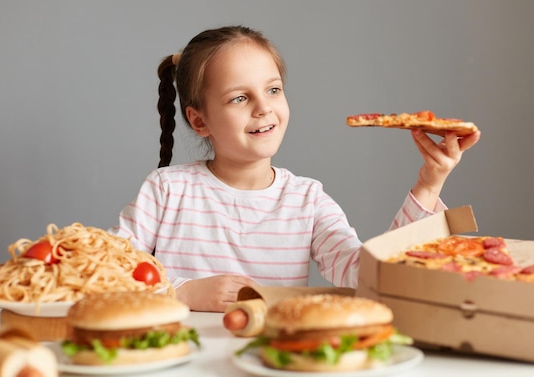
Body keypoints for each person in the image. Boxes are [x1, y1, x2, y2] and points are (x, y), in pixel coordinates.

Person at [110, 25, 480, 312]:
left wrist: (429, 184)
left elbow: (367, 274)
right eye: (240, 98)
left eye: (273, 90)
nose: (263, 108)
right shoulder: (166, 190)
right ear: (200, 121)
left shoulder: (307, 200)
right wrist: (185, 291)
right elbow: (109, 271)